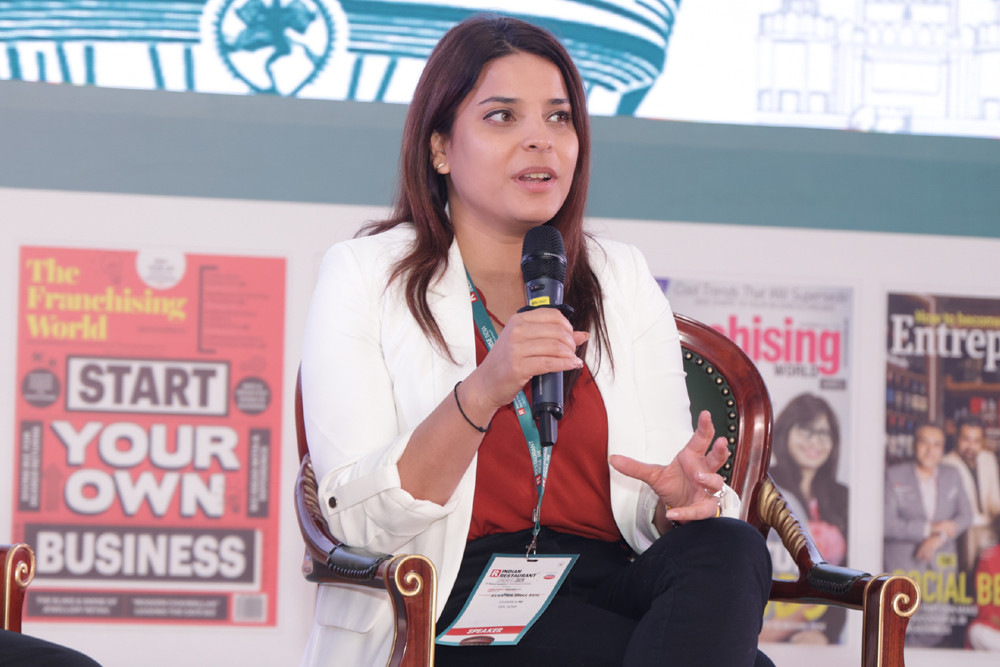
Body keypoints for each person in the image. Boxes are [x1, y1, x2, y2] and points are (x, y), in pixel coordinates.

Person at [299, 14, 772, 667]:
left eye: (558, 117)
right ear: (440, 148)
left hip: (608, 580)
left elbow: (653, 498)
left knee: (731, 545)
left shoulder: (620, 276)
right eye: (503, 116)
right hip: (451, 596)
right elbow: (355, 518)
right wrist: (482, 390)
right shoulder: (365, 275)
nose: (539, 140)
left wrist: (677, 504)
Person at [761, 393, 848, 644]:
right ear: (786, 431)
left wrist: (825, 633)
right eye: (805, 430)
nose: (814, 441)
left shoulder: (842, 496)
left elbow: (849, 574)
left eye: (824, 433)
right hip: (769, 624)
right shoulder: (764, 484)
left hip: (821, 636)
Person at [884, 421, 973, 647]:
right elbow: (887, 524)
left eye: (937, 444)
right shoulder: (893, 475)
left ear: (943, 449)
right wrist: (928, 528)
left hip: (941, 567)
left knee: (936, 629)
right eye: (924, 442)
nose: (930, 450)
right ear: (914, 445)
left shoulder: (952, 474)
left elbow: (966, 515)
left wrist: (939, 537)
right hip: (903, 564)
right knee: (900, 628)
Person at [941, 416, 1000, 573]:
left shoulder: (988, 459)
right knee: (968, 574)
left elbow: (994, 498)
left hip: (990, 527)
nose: (971, 446)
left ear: (983, 441)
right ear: (957, 438)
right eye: (966, 439)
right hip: (963, 531)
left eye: (976, 441)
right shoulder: (946, 463)